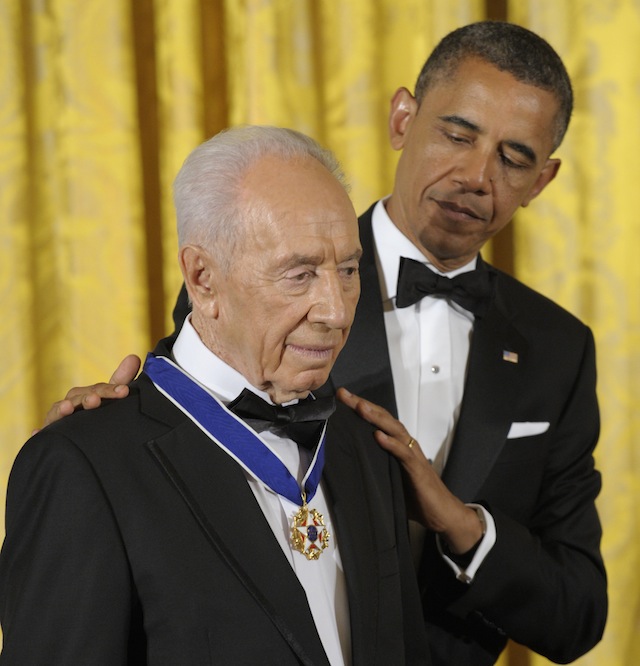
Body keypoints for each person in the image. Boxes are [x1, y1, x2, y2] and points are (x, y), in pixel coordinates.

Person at [38, 21, 607, 665]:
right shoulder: (257, 260)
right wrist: (95, 434)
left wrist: (461, 525)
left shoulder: (559, 349)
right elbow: (176, 436)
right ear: (402, 119)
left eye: (513, 157)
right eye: (457, 134)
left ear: (543, 180)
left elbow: (577, 612)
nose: (478, 176)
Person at [0, 126, 431, 665]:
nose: (337, 311)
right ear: (203, 279)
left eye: (347, 270)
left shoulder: (366, 443)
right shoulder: (83, 464)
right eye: (299, 275)